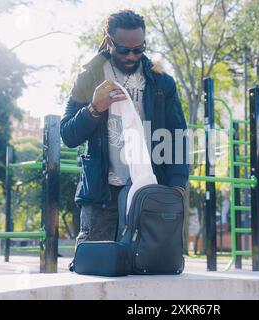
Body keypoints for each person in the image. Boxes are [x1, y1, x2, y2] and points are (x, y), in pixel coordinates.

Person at [60, 10, 189, 246]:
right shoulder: (89, 77)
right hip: (102, 192)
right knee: (95, 268)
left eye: (139, 49)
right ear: (109, 41)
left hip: (149, 189)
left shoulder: (162, 82)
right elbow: (68, 134)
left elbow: (177, 135)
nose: (132, 56)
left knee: (149, 267)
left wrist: (178, 184)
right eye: (124, 50)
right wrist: (94, 108)